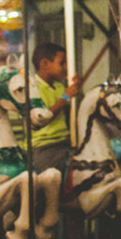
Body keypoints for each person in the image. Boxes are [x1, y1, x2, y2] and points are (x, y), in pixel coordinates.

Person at [26, 42, 81, 172]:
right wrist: (66, 98)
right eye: (62, 63)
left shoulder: (59, 87)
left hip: (64, 143)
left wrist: (77, 89)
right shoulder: (33, 89)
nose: (66, 68)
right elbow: (42, 117)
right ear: (45, 64)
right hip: (44, 147)